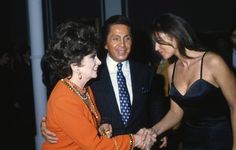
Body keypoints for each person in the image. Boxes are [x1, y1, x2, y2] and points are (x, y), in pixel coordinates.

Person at [41, 15, 168, 149]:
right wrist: (49, 124)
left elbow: (155, 104)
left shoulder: (85, 87)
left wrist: (102, 125)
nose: (123, 45)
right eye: (115, 39)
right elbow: (63, 109)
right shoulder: (86, 80)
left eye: (127, 38)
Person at [149, 13, 236, 150]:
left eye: (159, 41)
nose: (156, 48)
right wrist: (152, 131)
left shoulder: (213, 62)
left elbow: (235, 106)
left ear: (175, 36)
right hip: (191, 142)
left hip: (220, 140)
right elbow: (175, 113)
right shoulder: (171, 69)